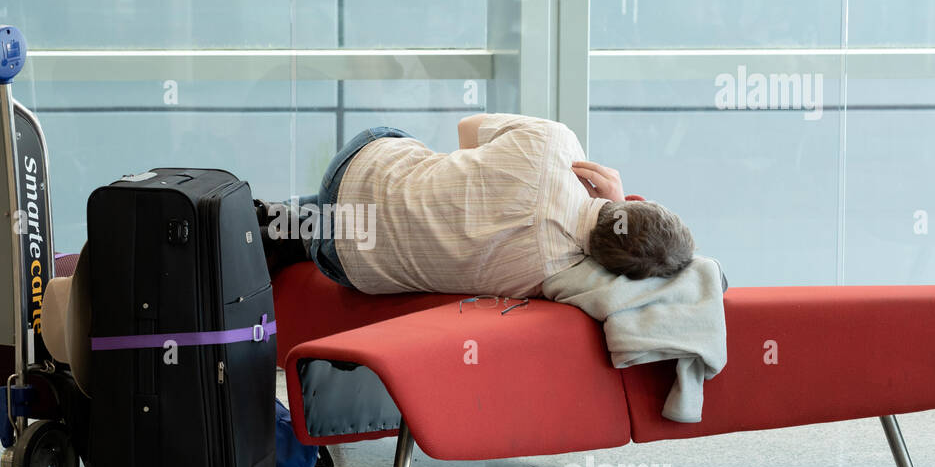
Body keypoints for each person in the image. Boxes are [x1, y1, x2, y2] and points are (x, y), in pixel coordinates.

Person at [259, 112, 694, 296]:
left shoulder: (557, 142)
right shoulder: (554, 277)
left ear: (636, 201)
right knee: (344, 224)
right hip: (345, 262)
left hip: (354, 166)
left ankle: (262, 220)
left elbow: (467, 130)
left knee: (374, 190)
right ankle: (275, 229)